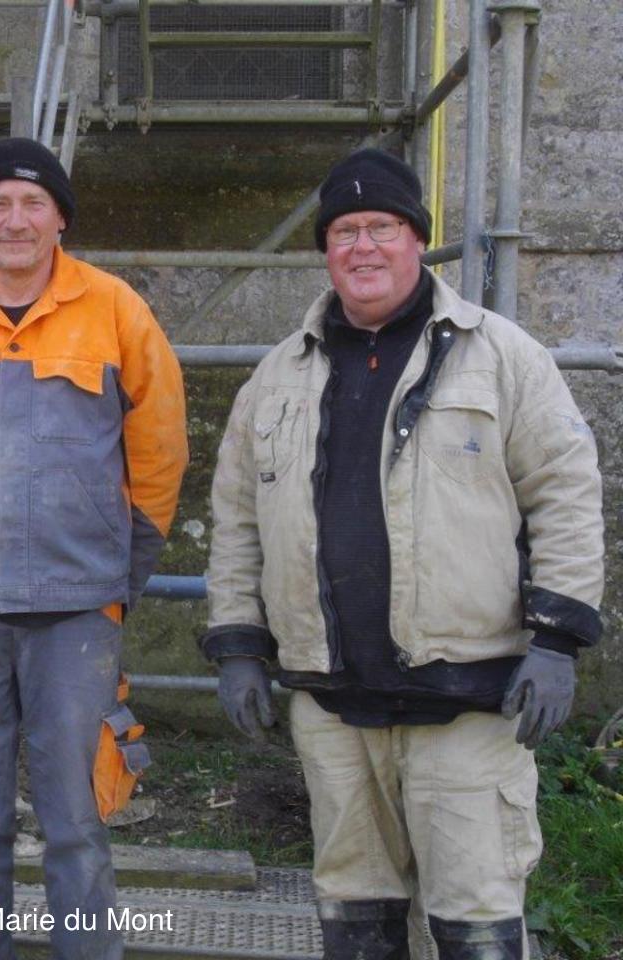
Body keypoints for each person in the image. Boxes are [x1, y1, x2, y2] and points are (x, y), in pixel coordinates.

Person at [202, 147, 604, 960]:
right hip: (334, 707)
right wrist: (238, 645)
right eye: (345, 231)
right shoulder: (276, 376)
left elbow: (565, 493)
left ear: (417, 238)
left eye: (382, 226)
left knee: (475, 923)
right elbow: (238, 520)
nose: (364, 246)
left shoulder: (502, 356)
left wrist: (558, 640)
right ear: (325, 249)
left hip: (469, 703)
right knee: (355, 917)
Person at [0, 137, 188, 959]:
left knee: (77, 822)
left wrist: (118, 573)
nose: (15, 220)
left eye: (33, 203)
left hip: (76, 613)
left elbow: (160, 451)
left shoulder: (115, 310)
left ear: (60, 219)